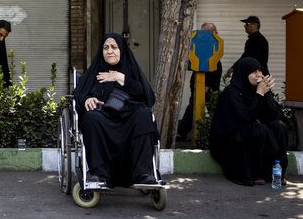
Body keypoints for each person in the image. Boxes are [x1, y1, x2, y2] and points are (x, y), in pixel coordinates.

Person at [73, 33, 158, 187]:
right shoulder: (95, 72)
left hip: (128, 116)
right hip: (103, 117)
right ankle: (100, 174)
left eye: (114, 47)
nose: (109, 51)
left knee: (144, 115)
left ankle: (143, 173)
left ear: (122, 50)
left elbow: (146, 95)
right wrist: (87, 99)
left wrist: (120, 78)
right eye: (106, 48)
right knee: (91, 118)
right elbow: (79, 93)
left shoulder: (130, 71)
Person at [209, 57, 287, 186]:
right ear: (244, 74)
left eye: (260, 71)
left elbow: (274, 115)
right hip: (229, 141)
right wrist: (259, 94)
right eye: (254, 72)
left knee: (278, 127)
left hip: (248, 133)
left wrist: (265, 94)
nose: (259, 75)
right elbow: (245, 117)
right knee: (258, 129)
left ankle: (274, 173)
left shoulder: (256, 90)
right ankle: (252, 173)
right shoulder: (231, 93)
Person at [177, 23, 222, 140]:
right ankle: (184, 132)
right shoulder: (201, 44)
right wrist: (206, 86)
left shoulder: (213, 44)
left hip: (210, 84)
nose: (216, 34)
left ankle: (217, 131)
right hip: (204, 84)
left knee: (212, 108)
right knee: (197, 106)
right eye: (214, 32)